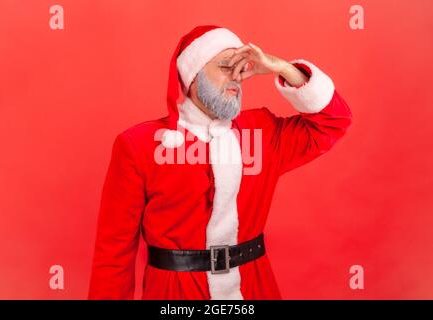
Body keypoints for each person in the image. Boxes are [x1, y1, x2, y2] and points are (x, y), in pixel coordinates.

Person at [88, 25, 352, 300]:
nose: (236, 77)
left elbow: (334, 121)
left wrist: (283, 68)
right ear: (193, 78)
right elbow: (113, 253)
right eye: (226, 66)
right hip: (175, 295)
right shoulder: (140, 144)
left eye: (240, 68)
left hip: (253, 289)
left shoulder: (262, 133)